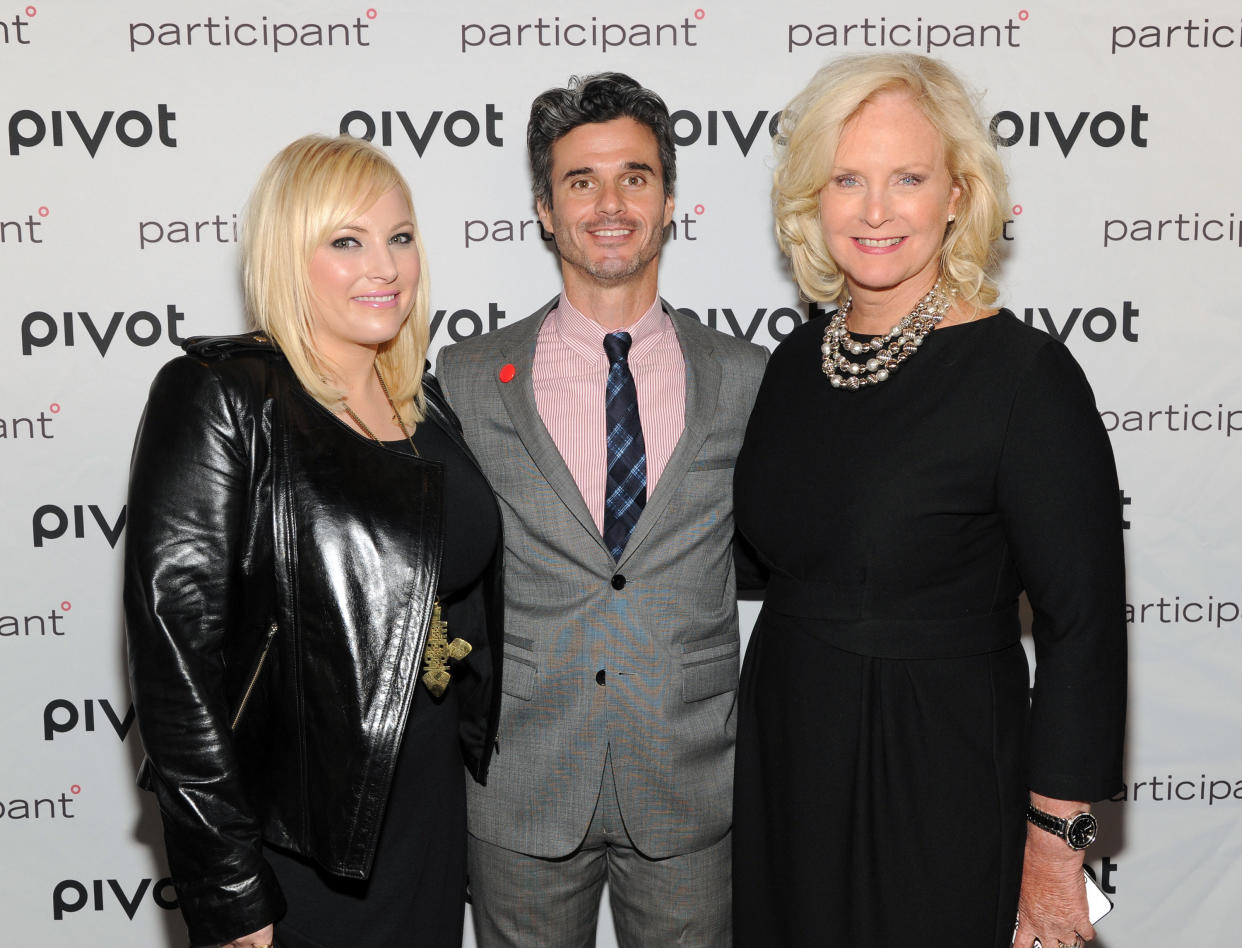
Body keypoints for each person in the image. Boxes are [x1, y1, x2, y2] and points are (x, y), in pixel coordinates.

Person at [732, 54, 1126, 948]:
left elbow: (1084, 629)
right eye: (848, 179)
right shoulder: (797, 364)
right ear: (811, 198)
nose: (876, 211)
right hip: (789, 753)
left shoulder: (1024, 380)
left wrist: (1058, 851)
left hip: (932, 771)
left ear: (958, 194)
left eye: (908, 178)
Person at [124, 134, 503, 948]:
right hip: (300, 843)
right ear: (288, 256)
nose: (386, 266)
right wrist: (228, 889)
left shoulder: (423, 403)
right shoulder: (223, 397)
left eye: (400, 237)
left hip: (428, 814)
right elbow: (175, 663)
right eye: (346, 241)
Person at [435, 72, 766, 946]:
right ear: (545, 208)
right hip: (523, 775)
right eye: (581, 181)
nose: (609, 203)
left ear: (668, 202)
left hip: (691, 775)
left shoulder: (747, 378)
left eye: (634, 176)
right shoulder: (467, 377)